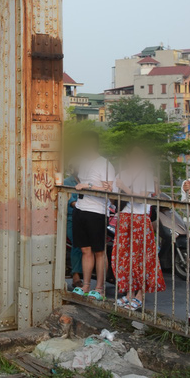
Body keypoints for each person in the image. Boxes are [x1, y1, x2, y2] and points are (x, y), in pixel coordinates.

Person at [113, 146, 164, 309]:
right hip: (125, 216)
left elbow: (142, 198)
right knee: (124, 256)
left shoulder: (146, 175)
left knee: (141, 258)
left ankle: (140, 294)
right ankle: (128, 293)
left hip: (140, 218)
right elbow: (114, 196)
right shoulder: (122, 173)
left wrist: (125, 188)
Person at [72, 132, 116, 302]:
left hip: (97, 211)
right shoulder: (82, 162)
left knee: (99, 251)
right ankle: (86, 285)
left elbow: (110, 189)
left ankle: (100, 288)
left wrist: (89, 185)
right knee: (85, 250)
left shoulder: (105, 164)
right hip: (81, 208)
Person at [64, 169, 82, 289]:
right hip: (71, 217)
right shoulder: (68, 182)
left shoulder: (88, 181)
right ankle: (76, 276)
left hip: (85, 215)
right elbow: (71, 202)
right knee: (78, 242)